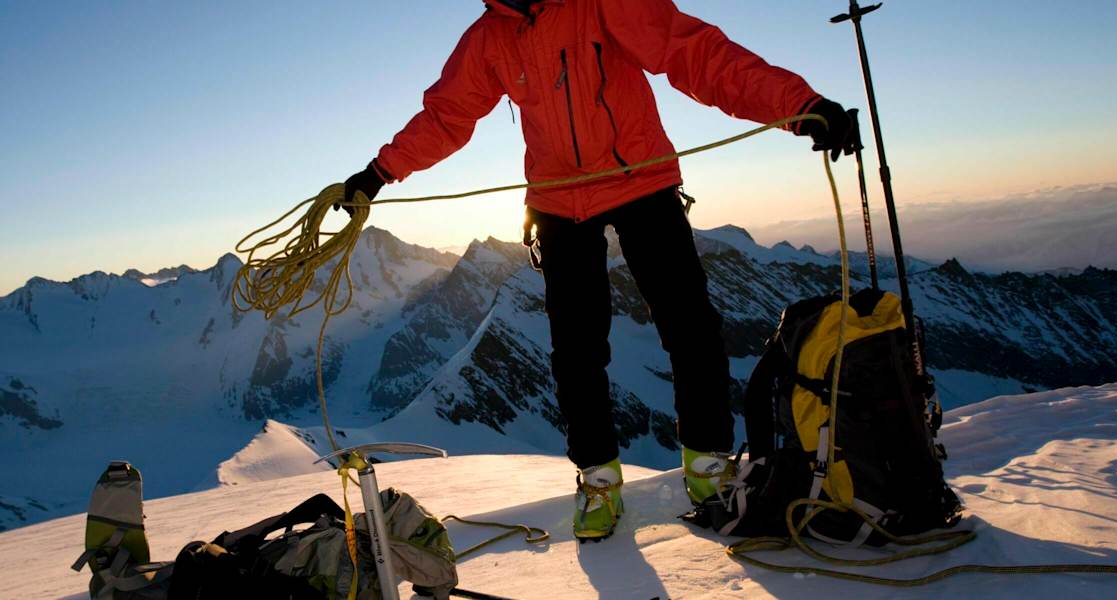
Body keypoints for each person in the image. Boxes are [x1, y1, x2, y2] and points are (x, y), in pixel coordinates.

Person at [337, 0, 861, 540]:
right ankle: (598, 478)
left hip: (642, 180)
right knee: (576, 349)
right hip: (559, 203)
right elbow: (449, 114)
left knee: (690, 326)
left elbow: (695, 54)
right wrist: (380, 172)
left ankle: (708, 463)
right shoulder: (490, 36)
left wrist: (799, 105)